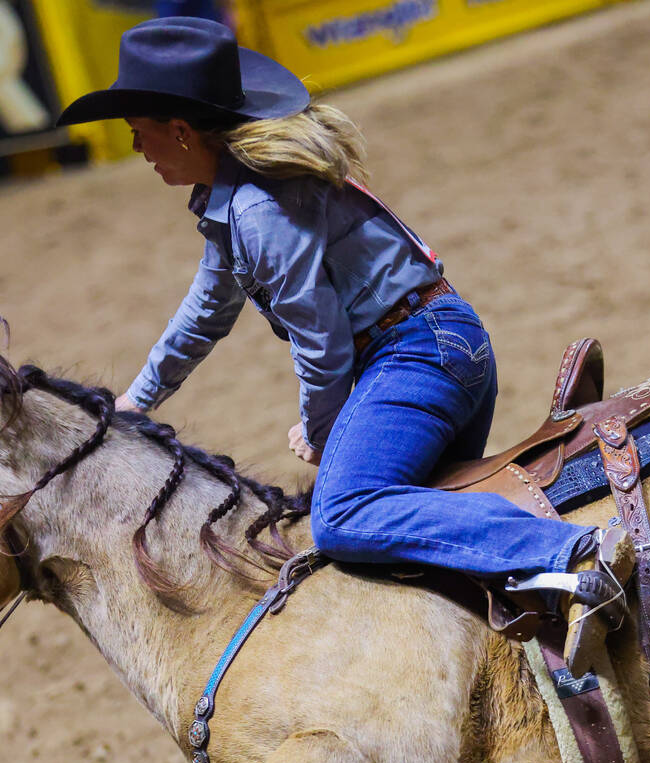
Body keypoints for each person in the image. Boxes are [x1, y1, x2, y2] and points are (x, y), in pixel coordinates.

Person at [56, 17, 597, 627]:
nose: (136, 150)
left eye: (138, 133)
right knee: (411, 525)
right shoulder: (237, 199)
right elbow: (205, 310)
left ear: (181, 132)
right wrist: (137, 399)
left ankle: (567, 550)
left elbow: (322, 345)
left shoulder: (255, 212)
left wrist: (319, 432)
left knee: (343, 514)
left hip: (415, 355)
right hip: (439, 345)